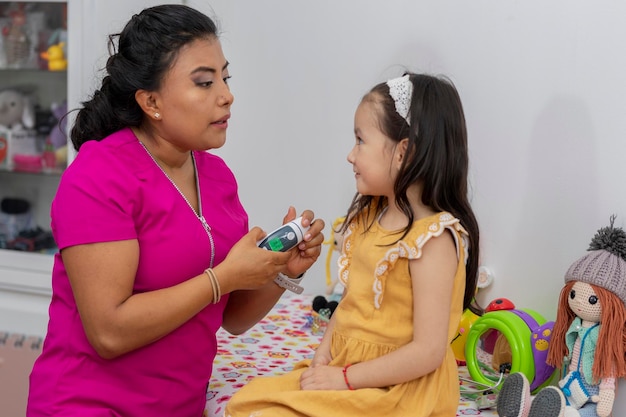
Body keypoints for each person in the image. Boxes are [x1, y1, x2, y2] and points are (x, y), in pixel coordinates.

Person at [26, 5, 325, 417]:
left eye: (225, 76)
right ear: (151, 101)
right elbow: (108, 332)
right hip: (89, 405)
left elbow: (231, 318)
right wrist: (222, 278)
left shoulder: (216, 176)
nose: (226, 94)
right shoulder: (98, 176)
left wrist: (281, 271)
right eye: (204, 82)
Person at [225, 72, 481, 416]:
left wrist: (344, 378)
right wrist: (323, 357)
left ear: (403, 152)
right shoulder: (369, 220)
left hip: (400, 389)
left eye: (360, 140)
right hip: (349, 372)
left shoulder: (432, 239)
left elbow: (428, 352)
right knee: (245, 404)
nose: (350, 154)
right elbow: (350, 304)